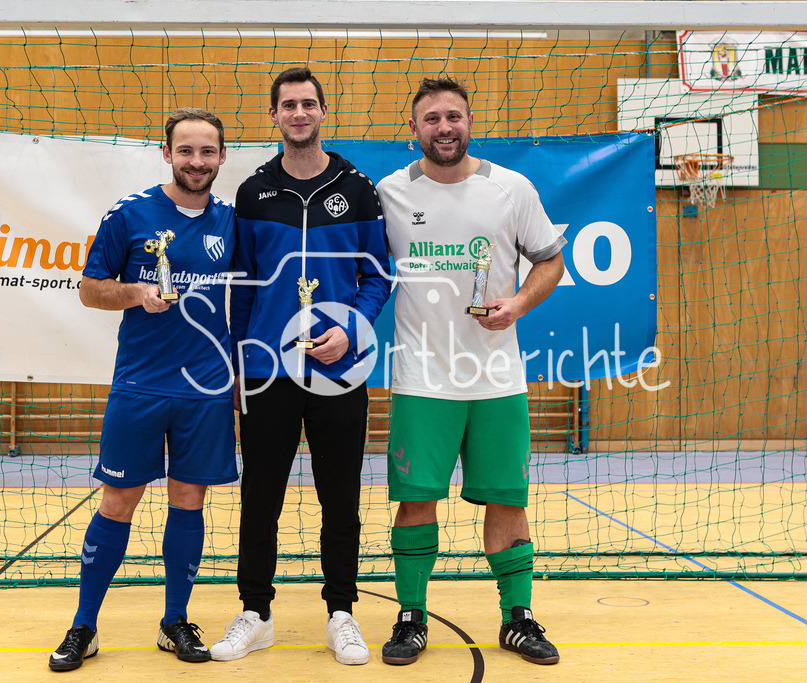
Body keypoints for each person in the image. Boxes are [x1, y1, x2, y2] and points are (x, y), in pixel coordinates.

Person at [376, 77, 566, 666]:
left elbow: (551, 262)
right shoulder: (389, 193)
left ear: (469, 121)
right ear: (413, 130)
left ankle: (518, 617)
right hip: (421, 377)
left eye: (453, 116)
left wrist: (517, 305)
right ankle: (411, 617)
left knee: (507, 501)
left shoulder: (510, 189)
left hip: (496, 378)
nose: (444, 128)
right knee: (415, 501)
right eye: (431, 119)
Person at [209, 67, 390, 667]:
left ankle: (342, 611)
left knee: (341, 497)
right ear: (274, 116)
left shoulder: (359, 188)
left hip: (339, 372)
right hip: (267, 372)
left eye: (308, 104)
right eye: (288, 105)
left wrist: (353, 330)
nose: (299, 113)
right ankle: (255, 612)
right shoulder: (254, 191)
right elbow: (239, 284)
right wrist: (239, 358)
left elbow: (377, 276)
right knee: (261, 497)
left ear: (322, 112)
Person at [48, 107, 237, 671]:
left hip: (205, 387)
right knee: (119, 501)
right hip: (140, 385)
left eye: (207, 152)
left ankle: (174, 620)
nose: (197, 162)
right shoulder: (129, 215)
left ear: (222, 157)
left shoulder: (231, 220)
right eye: (186, 151)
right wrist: (134, 293)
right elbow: (88, 289)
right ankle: (84, 625)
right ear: (167, 153)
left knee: (189, 498)